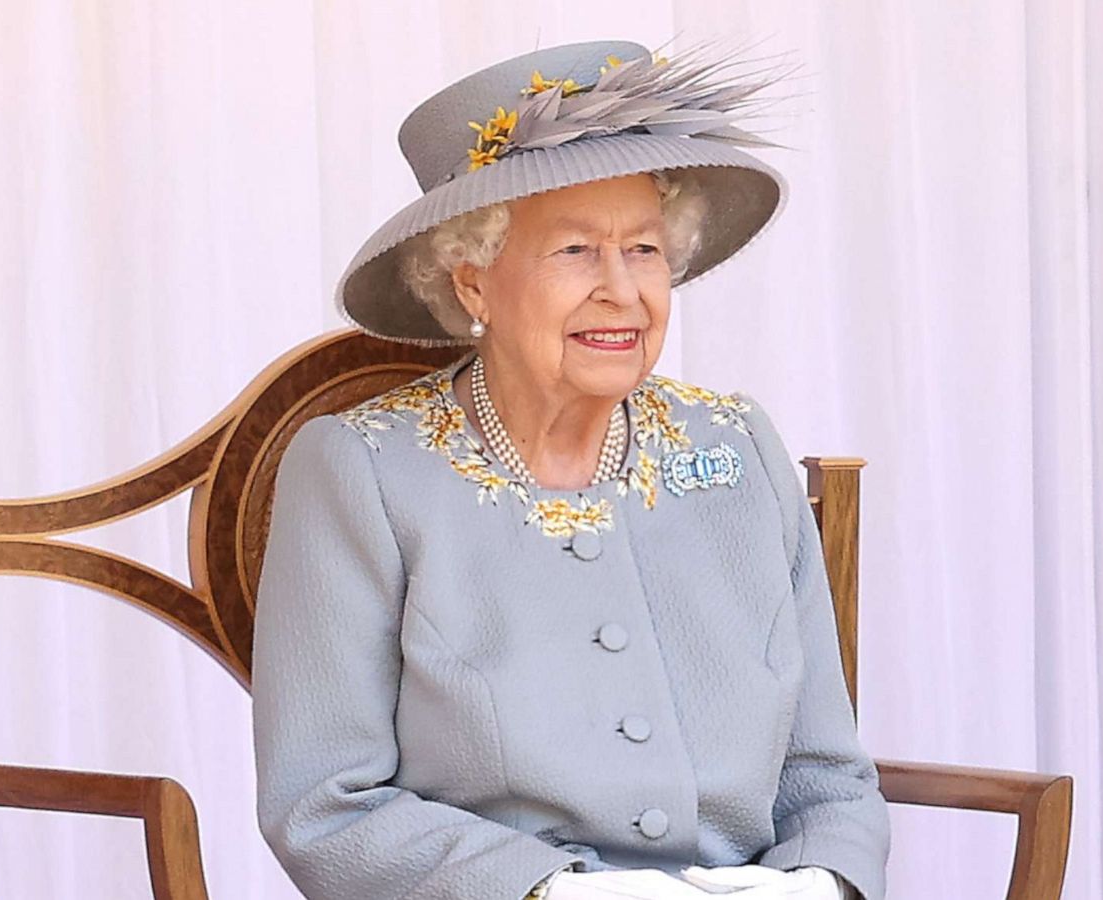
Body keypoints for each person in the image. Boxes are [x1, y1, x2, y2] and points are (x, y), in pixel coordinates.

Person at [252, 39, 890, 900]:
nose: (622, 291)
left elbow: (827, 775)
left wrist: (815, 884)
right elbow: (323, 804)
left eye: (645, 251)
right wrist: (561, 892)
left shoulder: (738, 449)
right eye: (576, 251)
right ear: (472, 280)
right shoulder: (362, 471)